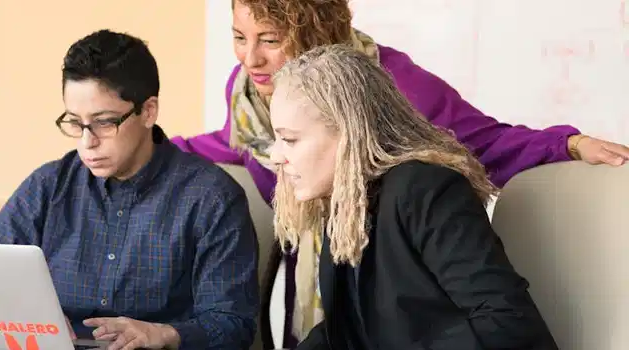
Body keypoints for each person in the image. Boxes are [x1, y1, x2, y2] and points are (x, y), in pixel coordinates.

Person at [169, 0, 629, 347]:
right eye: (239, 37)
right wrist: (153, 148)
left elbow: (484, 141)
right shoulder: (332, 190)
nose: (250, 59)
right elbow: (230, 141)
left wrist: (567, 144)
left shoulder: (422, 179)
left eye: (269, 39)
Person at [0, 29, 259, 350]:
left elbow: (233, 324)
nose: (87, 142)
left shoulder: (211, 198)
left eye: (103, 122)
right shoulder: (48, 186)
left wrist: (163, 334)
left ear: (148, 111)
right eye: (75, 123)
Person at [270, 43, 558, 349]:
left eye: (289, 139)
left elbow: (508, 324)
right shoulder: (347, 203)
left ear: (349, 134)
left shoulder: (426, 189)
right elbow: (348, 333)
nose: (275, 155)